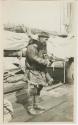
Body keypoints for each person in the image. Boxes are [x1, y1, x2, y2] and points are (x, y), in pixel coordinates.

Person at [24, 32, 53, 115]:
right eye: (45, 39)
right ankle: (30, 108)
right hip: (32, 71)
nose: (46, 41)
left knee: (39, 88)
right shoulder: (31, 46)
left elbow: (45, 55)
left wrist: (49, 59)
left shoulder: (43, 45)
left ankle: (36, 105)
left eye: (47, 39)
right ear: (40, 37)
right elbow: (33, 58)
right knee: (32, 89)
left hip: (40, 71)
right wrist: (45, 62)